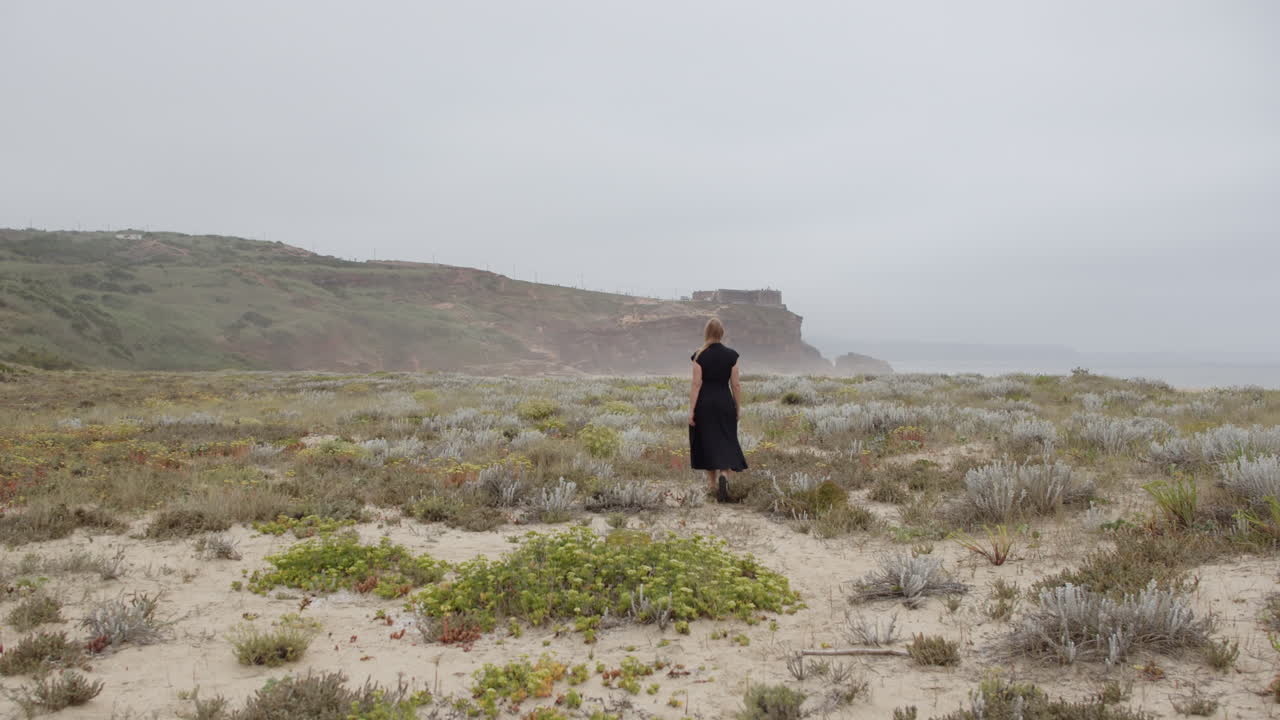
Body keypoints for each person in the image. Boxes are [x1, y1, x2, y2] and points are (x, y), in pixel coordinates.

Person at [688, 317, 748, 502]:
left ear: (706, 333)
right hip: (724, 402)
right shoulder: (732, 356)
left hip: (705, 403)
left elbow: (696, 385)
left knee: (707, 441)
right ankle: (724, 474)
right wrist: (738, 407)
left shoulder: (698, 355)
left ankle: (712, 485)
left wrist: (691, 410)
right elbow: (736, 385)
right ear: (722, 333)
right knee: (726, 439)